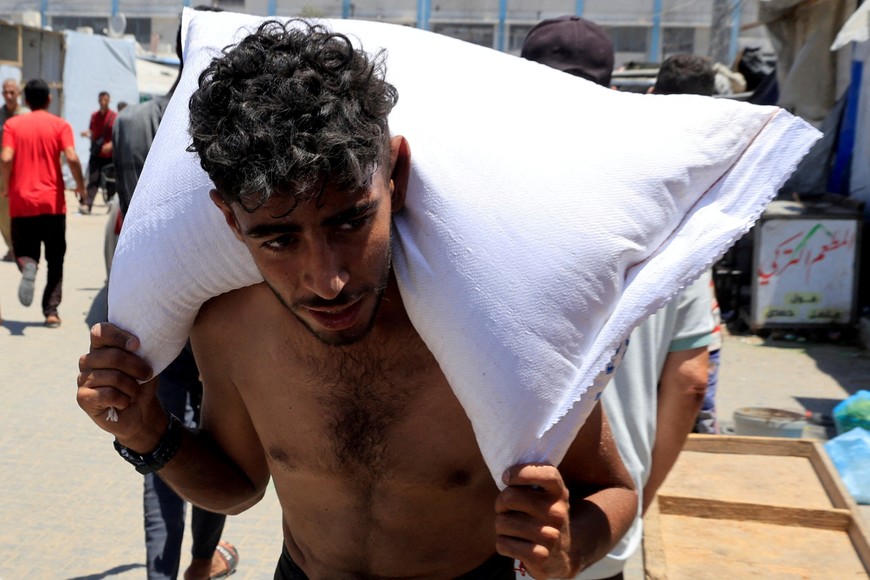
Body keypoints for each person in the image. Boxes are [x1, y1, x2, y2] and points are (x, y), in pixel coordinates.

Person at [77, 20, 637, 579]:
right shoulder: (230, 326)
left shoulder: (492, 313)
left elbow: (613, 489)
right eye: (279, 240)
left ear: (395, 172)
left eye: (351, 221)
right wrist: (148, 434)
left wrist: (570, 547)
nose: (327, 281)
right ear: (229, 217)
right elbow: (238, 487)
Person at [521, 18, 713, 580]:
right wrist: (632, 502)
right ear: (611, 95)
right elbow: (691, 379)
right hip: (596, 525)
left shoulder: (478, 206)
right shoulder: (676, 216)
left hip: (492, 521)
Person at [111, 11, 239, 578]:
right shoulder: (232, 124)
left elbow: (123, 212)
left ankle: (161, 571)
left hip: (149, 312)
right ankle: (202, 562)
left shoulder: (132, 121)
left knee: (158, 442)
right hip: (218, 317)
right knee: (221, 445)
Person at [650, 54, 723, 434]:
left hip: (638, 320)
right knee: (690, 421)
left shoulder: (634, 143)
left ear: (651, 93)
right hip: (695, 310)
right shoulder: (724, 147)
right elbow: (692, 383)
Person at [0, 79, 85, 328]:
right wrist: (80, 185)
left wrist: (5, 186)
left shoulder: (12, 124)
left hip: (21, 202)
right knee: (56, 259)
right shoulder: (60, 125)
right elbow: (71, 156)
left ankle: (28, 264)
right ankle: (51, 312)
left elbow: (6, 157)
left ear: (25, 100)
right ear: (49, 99)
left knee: (24, 252)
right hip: (52, 203)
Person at [0, 78, 29, 262]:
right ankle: (12, 247)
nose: (9, 96)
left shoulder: (25, 115)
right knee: (3, 212)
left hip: (23, 169)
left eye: (12, 92)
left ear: (18, 94)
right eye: (5, 92)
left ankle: (23, 248)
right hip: (2, 170)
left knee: (23, 211)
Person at [80, 91, 117, 214]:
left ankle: (111, 206)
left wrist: (111, 145)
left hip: (109, 155)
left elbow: (117, 133)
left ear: (109, 101)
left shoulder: (114, 116)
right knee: (93, 179)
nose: (103, 102)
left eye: (105, 100)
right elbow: (92, 129)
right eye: (101, 100)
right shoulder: (94, 116)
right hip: (96, 153)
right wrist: (87, 133)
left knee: (110, 181)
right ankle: (87, 204)